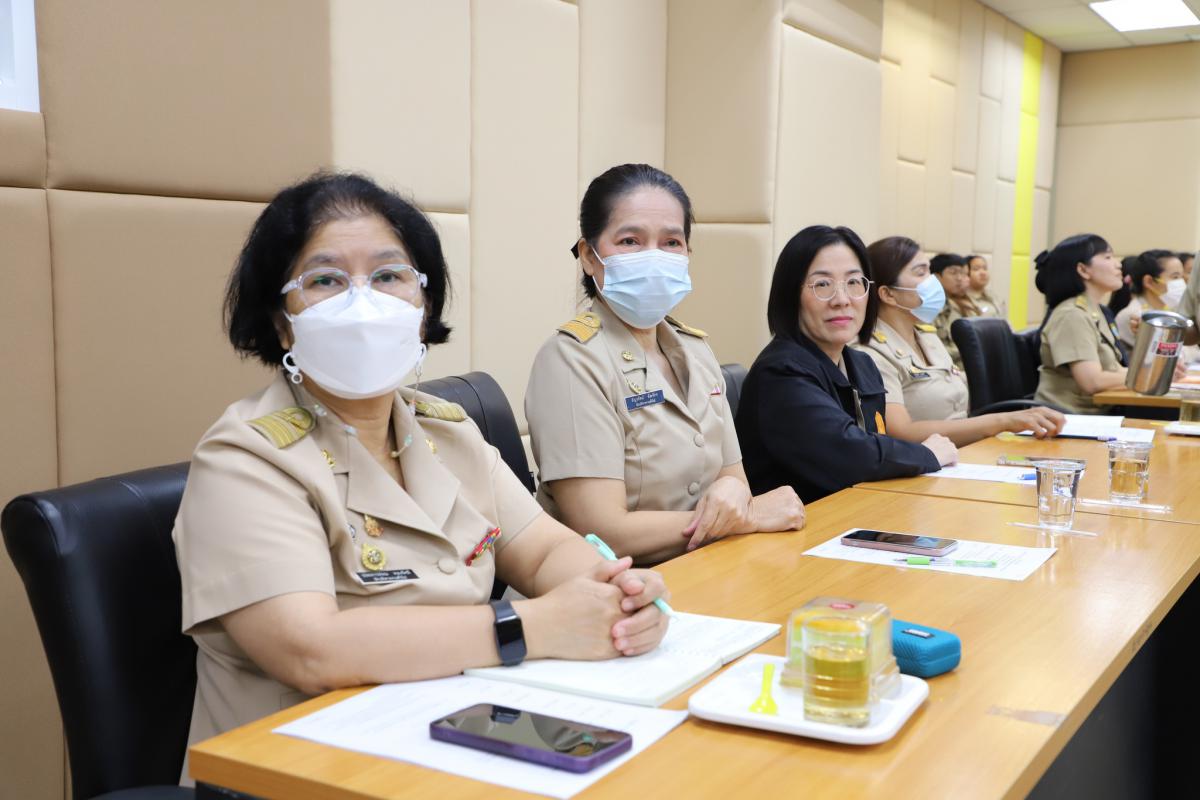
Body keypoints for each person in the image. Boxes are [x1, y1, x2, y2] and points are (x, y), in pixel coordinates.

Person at [173, 173, 671, 759]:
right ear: (282, 320)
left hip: (461, 731)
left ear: (423, 306)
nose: (364, 302)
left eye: (389, 276)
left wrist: (617, 592)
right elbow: (310, 649)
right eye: (326, 280)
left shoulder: (447, 432)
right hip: (304, 765)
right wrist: (531, 626)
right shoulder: (245, 460)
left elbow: (542, 550)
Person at [525, 164, 804, 565]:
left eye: (671, 242)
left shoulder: (695, 351)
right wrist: (746, 517)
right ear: (588, 256)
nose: (654, 257)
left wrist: (737, 504)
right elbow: (601, 531)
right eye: (630, 241)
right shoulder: (570, 360)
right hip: (610, 586)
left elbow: (733, 484)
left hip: (705, 570)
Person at [735, 225, 956, 504]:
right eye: (822, 285)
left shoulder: (861, 363)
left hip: (857, 513)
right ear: (790, 295)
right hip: (801, 524)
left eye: (854, 282)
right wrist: (927, 454)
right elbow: (849, 455)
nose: (842, 300)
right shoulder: (780, 372)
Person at [857, 236, 1064, 446]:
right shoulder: (870, 353)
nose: (932, 281)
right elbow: (900, 433)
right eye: (921, 273)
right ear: (888, 294)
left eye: (930, 271)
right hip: (922, 462)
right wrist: (1002, 421)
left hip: (962, 453)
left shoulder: (926, 336)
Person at [1033, 234, 1127, 413]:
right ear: (1083, 270)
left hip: (1098, 414)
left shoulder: (1095, 311)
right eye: (1108, 257)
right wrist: (1148, 377)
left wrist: (1155, 375)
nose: (1118, 264)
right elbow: (1092, 382)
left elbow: (1116, 370)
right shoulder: (1072, 315)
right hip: (1067, 418)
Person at [1110, 250, 1187, 349]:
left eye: (1182, 277)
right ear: (1149, 281)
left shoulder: (1172, 309)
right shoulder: (1134, 316)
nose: (1181, 282)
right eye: (1175, 277)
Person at [930, 253, 981, 370]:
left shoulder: (967, 303)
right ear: (936, 277)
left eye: (963, 273)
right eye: (953, 273)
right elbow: (933, 350)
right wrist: (973, 348)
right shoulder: (931, 308)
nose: (959, 278)